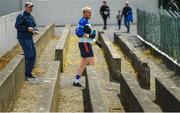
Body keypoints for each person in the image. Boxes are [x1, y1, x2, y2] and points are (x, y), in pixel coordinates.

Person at [74, 7, 102, 87]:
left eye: (90, 12)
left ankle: (76, 81)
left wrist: (96, 42)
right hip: (84, 44)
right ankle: (94, 82)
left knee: (83, 63)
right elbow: (79, 33)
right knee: (91, 62)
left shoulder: (86, 21)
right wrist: (89, 35)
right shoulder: (83, 21)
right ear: (84, 13)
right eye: (88, 12)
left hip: (86, 43)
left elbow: (88, 37)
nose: (90, 14)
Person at [15, 2, 39, 81]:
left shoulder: (30, 16)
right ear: (25, 7)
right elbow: (17, 26)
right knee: (29, 55)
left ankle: (28, 72)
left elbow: (33, 25)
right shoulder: (21, 15)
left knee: (34, 54)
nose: (30, 8)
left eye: (31, 7)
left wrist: (35, 30)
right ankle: (24, 72)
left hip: (29, 38)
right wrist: (27, 28)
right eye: (29, 7)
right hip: (23, 38)